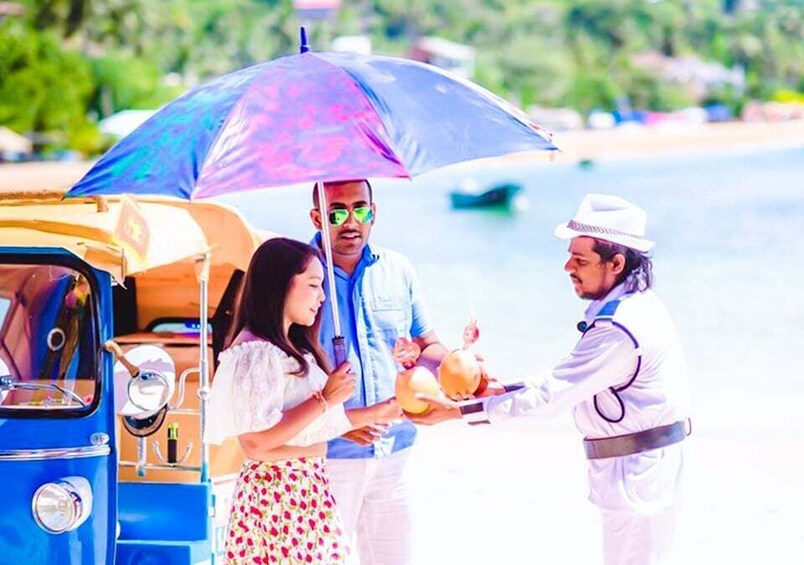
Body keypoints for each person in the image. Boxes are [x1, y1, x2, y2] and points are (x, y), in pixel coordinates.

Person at [414, 194, 691, 565]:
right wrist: (499, 390)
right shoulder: (636, 306)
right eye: (569, 256)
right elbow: (565, 379)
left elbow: (551, 397)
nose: (567, 267)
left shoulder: (620, 327)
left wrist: (456, 412)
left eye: (580, 260)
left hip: (638, 480)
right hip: (641, 472)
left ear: (616, 263)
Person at [205, 237, 401, 564]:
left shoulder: (289, 348)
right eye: (313, 285)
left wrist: (375, 413)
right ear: (280, 285)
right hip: (278, 498)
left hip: (305, 494)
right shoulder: (256, 351)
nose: (322, 297)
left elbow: (297, 425)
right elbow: (256, 441)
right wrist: (325, 400)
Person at [309, 179, 448, 565]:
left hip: (395, 449)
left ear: (374, 212)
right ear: (317, 218)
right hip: (326, 456)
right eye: (337, 213)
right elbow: (283, 369)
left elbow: (428, 346)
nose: (350, 222)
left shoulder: (397, 268)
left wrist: (461, 368)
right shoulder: (298, 274)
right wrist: (336, 425)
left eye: (360, 209)